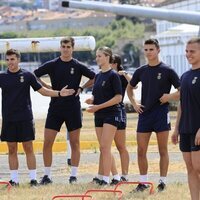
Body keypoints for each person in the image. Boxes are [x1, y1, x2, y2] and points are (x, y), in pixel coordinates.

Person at [0, 49, 75, 187]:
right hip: (8, 119)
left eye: (13, 59)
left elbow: (43, 91)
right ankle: (14, 180)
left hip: (25, 118)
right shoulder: (2, 77)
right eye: (8, 59)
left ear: (18, 60)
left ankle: (33, 179)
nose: (10, 62)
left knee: (28, 148)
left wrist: (59, 93)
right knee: (11, 149)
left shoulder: (28, 75)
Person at [34, 37, 95, 184]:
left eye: (68, 46)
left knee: (74, 143)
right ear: (60, 48)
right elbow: (34, 75)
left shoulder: (78, 65)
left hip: (73, 108)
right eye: (63, 46)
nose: (65, 49)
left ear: (72, 48)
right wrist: (47, 87)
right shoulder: (52, 64)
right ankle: (47, 176)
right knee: (48, 142)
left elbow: (95, 77)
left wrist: (81, 88)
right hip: (55, 107)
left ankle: (73, 175)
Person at [127, 38, 180, 192]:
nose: (148, 52)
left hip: (161, 114)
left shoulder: (168, 70)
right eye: (146, 50)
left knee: (162, 150)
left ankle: (162, 182)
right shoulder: (141, 70)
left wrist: (169, 97)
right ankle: (143, 182)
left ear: (158, 50)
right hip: (145, 114)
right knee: (141, 150)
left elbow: (181, 91)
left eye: (151, 49)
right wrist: (134, 103)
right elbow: (129, 88)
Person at [92, 54, 131, 185]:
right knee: (104, 147)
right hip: (103, 113)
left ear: (115, 64)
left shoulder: (118, 76)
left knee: (120, 146)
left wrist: (124, 73)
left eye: (113, 63)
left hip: (117, 112)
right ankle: (106, 175)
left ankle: (124, 175)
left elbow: (133, 85)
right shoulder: (101, 75)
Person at [86, 47, 122, 185]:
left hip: (111, 114)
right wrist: (91, 99)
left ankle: (105, 180)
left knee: (105, 147)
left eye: (99, 56)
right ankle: (116, 177)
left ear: (107, 57)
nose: (97, 59)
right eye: (96, 56)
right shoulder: (98, 75)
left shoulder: (114, 76)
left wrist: (98, 107)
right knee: (103, 148)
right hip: (99, 114)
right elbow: (95, 94)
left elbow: (118, 97)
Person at [171, 37, 200, 200]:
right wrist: (176, 129)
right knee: (190, 169)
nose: (188, 54)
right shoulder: (185, 76)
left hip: (198, 130)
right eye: (187, 51)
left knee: (198, 167)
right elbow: (182, 103)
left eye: (192, 51)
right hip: (186, 129)